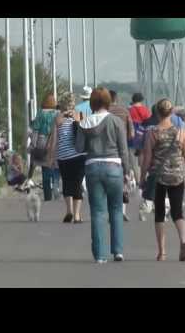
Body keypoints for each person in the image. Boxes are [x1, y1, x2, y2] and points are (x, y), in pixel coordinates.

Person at [76, 87, 129, 263]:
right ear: (108, 102)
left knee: (98, 212)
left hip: (92, 167)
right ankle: (118, 250)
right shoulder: (116, 121)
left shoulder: (85, 122)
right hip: (114, 167)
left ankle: (100, 255)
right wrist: (127, 172)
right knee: (116, 209)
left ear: (92, 102)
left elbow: (79, 148)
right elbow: (123, 149)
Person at [140, 99, 185, 262]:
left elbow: (147, 158)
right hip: (177, 175)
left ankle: (162, 252)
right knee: (178, 212)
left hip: (159, 176)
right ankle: (183, 241)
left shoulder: (152, 133)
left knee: (160, 214)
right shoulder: (181, 131)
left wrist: (142, 176)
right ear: (171, 113)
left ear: (156, 113)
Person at [47, 92, 86, 223]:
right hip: (79, 155)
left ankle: (69, 211)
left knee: (67, 182)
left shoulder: (57, 118)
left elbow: (53, 141)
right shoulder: (80, 115)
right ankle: (77, 215)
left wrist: (51, 159)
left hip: (63, 156)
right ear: (73, 103)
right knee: (77, 184)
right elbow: (86, 135)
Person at [28, 93, 60, 201]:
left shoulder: (40, 113)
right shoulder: (58, 113)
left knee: (45, 168)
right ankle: (56, 188)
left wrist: (33, 144)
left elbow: (35, 130)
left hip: (42, 142)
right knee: (55, 166)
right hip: (55, 142)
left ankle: (47, 195)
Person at [108, 90, 134, 221]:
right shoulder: (124, 111)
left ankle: (111, 212)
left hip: (107, 152)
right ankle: (122, 211)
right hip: (122, 149)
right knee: (124, 179)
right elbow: (132, 134)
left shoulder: (102, 112)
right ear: (116, 98)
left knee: (109, 183)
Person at [128, 93, 151, 182]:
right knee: (143, 157)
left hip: (131, 136)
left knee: (133, 160)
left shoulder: (129, 110)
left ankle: (137, 180)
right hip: (143, 136)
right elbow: (149, 124)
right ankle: (143, 177)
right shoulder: (146, 110)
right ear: (141, 100)